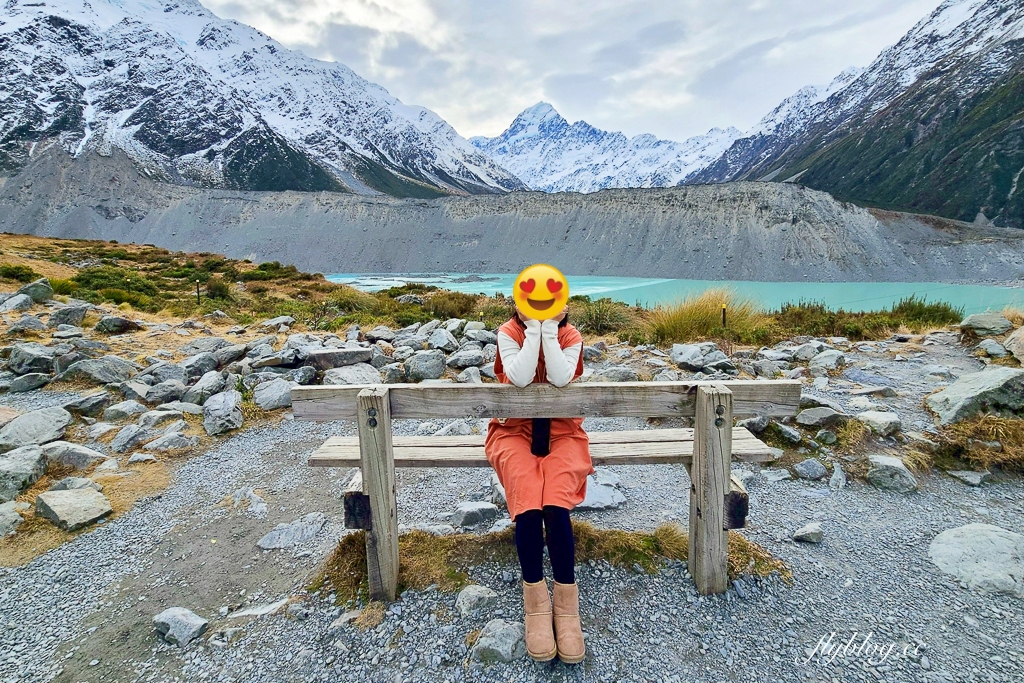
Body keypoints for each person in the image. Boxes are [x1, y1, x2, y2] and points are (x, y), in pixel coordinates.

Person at [484, 303, 590, 664]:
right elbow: (520, 378)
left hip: (563, 432)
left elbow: (560, 377)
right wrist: (533, 330)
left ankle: (566, 606)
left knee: (555, 504)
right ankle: (536, 605)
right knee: (528, 505)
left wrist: (548, 331)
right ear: (517, 302)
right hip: (513, 431)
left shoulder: (571, 336)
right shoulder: (507, 333)